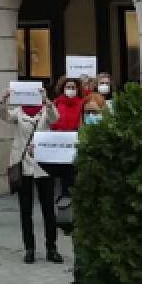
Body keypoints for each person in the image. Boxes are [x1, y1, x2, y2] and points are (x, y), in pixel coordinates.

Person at [0, 87, 60, 264]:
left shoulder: (45, 110)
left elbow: (56, 118)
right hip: (23, 165)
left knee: (48, 209)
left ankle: (51, 247)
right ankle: (30, 248)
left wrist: (46, 100)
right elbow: (4, 116)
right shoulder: (18, 112)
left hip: (44, 165)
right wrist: (4, 100)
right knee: (26, 211)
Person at [50, 77, 83, 208]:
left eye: (73, 87)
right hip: (60, 142)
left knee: (73, 172)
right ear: (63, 88)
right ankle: (64, 197)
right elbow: (52, 121)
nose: (70, 90)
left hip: (75, 141)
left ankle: (72, 198)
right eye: (68, 87)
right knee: (64, 173)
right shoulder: (56, 103)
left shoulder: (81, 103)